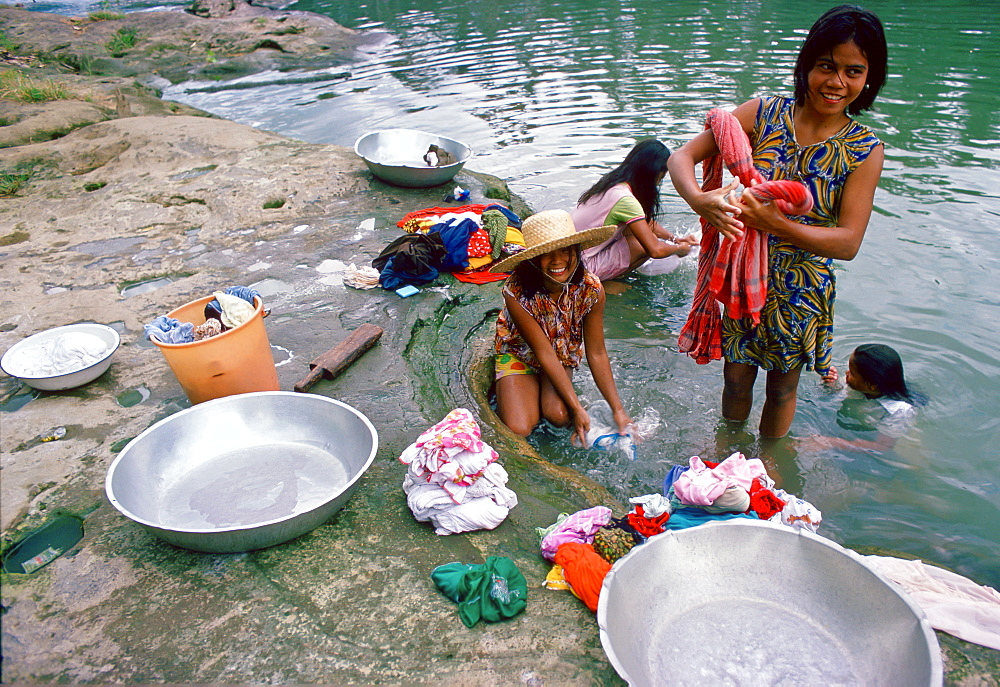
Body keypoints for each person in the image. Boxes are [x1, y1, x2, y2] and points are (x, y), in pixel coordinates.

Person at [667, 4, 888, 439]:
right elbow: (682, 156)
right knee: (735, 380)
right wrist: (700, 199)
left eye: (853, 72)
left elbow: (847, 243)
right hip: (740, 275)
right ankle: (728, 455)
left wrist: (776, 225)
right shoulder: (764, 113)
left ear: (869, 79)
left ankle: (767, 473)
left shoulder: (865, 149)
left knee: (783, 391)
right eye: (827, 66)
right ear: (806, 64)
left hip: (802, 288)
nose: (837, 83)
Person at [490, 209, 633, 445]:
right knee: (519, 428)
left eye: (565, 250)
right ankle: (515, 388)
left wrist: (617, 409)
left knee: (557, 415)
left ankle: (557, 400)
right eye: (547, 253)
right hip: (519, 352)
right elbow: (542, 351)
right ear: (533, 259)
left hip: (561, 353)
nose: (558, 261)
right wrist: (577, 408)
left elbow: (596, 353)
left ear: (575, 251)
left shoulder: (591, 289)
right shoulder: (514, 291)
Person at [571, 139, 697, 282]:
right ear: (652, 173)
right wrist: (679, 249)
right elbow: (654, 250)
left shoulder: (613, 185)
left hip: (569, 259)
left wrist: (675, 239)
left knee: (635, 233)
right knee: (642, 246)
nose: (658, 183)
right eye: (660, 177)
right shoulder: (625, 200)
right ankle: (601, 283)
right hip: (578, 270)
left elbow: (644, 224)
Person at [805, 343, 924, 451]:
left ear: (872, 386)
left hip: (889, 434)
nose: (846, 373)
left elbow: (883, 446)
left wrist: (832, 442)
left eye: (851, 372)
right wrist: (831, 386)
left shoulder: (899, 411)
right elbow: (838, 396)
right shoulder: (860, 385)